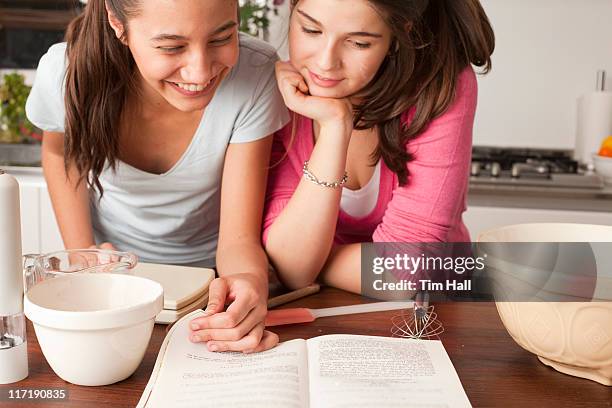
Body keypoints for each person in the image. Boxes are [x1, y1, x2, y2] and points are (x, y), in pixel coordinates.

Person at [26, 0, 289, 353]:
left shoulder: (255, 72)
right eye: (171, 47)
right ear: (118, 23)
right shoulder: (64, 71)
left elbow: (238, 239)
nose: (199, 73)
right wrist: (83, 252)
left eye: (221, 38)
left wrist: (247, 282)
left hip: (208, 286)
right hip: (113, 284)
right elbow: (60, 153)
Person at [262, 0, 495, 294]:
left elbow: (405, 276)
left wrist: (309, 263)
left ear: (397, 38)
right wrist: (335, 125)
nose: (325, 62)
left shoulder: (440, 88)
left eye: (359, 43)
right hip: (319, 314)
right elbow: (292, 270)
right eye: (310, 30)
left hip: (435, 308)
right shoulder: (277, 93)